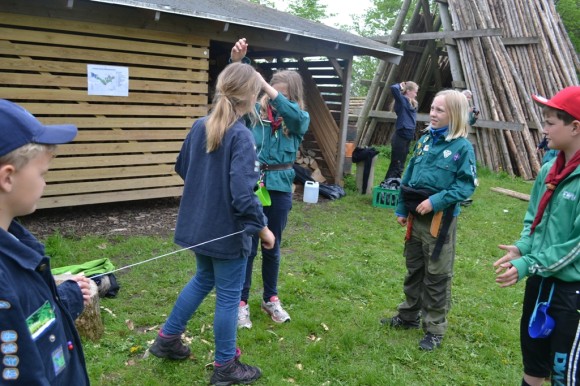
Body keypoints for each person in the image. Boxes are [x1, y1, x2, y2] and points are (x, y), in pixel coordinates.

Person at [148, 62, 275, 386]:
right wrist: (263, 229)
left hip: (201, 226)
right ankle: (225, 366)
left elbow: (183, 169)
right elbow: (243, 197)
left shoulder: (199, 126)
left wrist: (208, 191)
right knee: (229, 296)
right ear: (251, 96)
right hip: (226, 232)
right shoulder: (241, 136)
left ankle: (167, 339)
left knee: (204, 278)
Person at [0, 99, 92, 384]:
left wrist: (68, 297)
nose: (45, 183)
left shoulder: (16, 245)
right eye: (42, 173)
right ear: (7, 177)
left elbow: (27, 321)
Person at [493, 86, 580, 386]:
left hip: (571, 292)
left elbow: (576, 247)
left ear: (575, 126)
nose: (543, 128)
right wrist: (522, 248)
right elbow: (534, 221)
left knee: (563, 373)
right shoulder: (548, 171)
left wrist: (528, 264)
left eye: (550, 121)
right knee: (533, 362)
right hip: (541, 283)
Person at [382, 89, 477, 351]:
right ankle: (408, 316)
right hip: (415, 218)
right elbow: (409, 176)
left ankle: (434, 328)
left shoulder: (461, 148)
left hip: (439, 221)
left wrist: (435, 201)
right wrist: (402, 208)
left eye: (439, 110)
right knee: (414, 269)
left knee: (437, 275)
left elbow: (466, 187)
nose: (432, 114)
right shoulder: (425, 141)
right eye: (432, 109)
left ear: (454, 114)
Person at [230, 38, 310, 329]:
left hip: (279, 186)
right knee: (248, 245)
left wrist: (270, 90)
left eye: (282, 95)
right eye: (270, 92)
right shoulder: (254, 115)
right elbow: (233, 94)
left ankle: (270, 299)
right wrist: (238, 64)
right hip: (253, 183)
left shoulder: (298, 119)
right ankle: (240, 302)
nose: (273, 99)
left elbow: (294, 113)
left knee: (271, 245)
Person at [380, 81, 419, 186]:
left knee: (401, 164)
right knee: (396, 163)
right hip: (401, 134)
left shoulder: (413, 103)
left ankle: (395, 185)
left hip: (409, 134)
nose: (416, 94)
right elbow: (393, 88)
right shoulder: (402, 101)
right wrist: (401, 85)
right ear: (409, 91)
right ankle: (387, 186)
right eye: (415, 92)